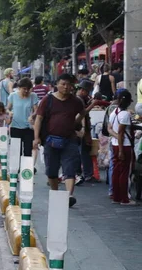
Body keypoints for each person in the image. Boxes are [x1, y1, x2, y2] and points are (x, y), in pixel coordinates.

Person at [33, 73, 100, 208]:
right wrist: (36, 138)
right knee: (51, 171)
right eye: (63, 84)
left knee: (70, 169)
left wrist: (77, 126)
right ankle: (55, 193)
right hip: (50, 140)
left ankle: (69, 196)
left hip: (69, 140)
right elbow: (39, 119)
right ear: (57, 84)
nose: (66, 87)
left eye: (69, 85)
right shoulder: (48, 100)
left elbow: (82, 113)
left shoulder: (76, 101)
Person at [108, 89, 136, 205]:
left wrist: (117, 138)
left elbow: (110, 129)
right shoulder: (125, 115)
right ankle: (124, 198)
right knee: (124, 172)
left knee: (116, 171)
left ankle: (116, 196)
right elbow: (120, 132)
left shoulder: (114, 112)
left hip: (115, 144)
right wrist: (121, 149)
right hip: (124, 146)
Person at [7, 78, 39, 161]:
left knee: (28, 151)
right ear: (19, 88)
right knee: (17, 151)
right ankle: (17, 168)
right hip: (15, 126)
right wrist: (9, 112)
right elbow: (7, 108)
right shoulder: (13, 96)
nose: (26, 91)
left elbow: (36, 110)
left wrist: (32, 116)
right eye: (24, 89)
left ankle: (26, 169)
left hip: (28, 128)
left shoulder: (33, 96)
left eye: (28, 89)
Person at [74, 79, 97, 184]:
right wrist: (85, 130)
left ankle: (78, 173)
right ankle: (88, 175)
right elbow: (82, 115)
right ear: (83, 90)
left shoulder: (79, 99)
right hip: (80, 130)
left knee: (80, 152)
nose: (88, 94)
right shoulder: (79, 99)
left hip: (78, 130)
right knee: (84, 153)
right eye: (87, 91)